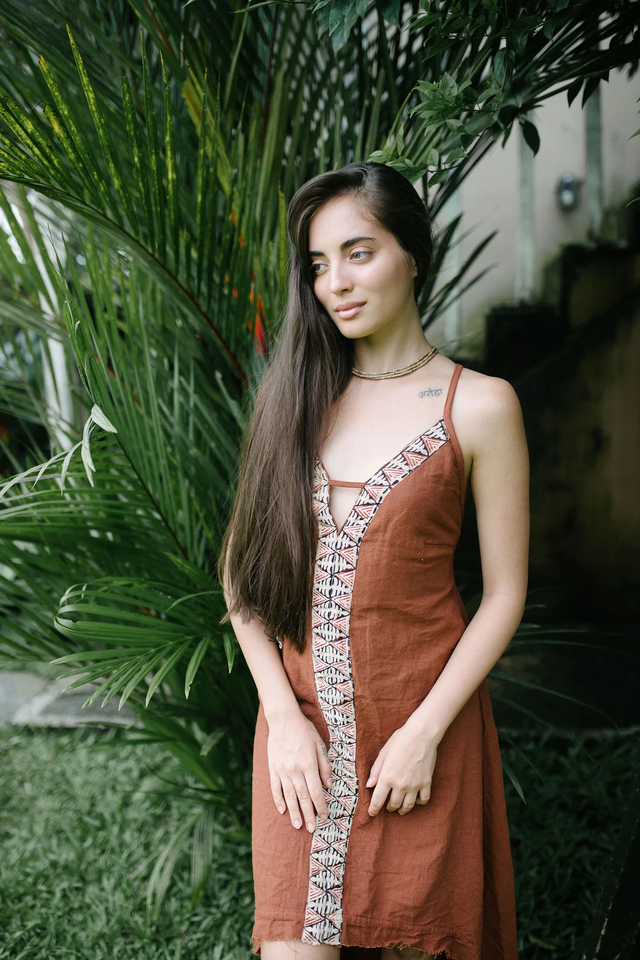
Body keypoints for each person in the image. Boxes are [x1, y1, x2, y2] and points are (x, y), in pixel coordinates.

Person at [218, 161, 529, 960]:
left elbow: (504, 595)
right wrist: (283, 721)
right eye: (319, 264)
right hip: (303, 754)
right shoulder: (294, 398)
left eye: (358, 253)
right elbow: (241, 581)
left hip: (423, 739)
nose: (336, 283)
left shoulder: (480, 405)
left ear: (413, 256)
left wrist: (425, 733)